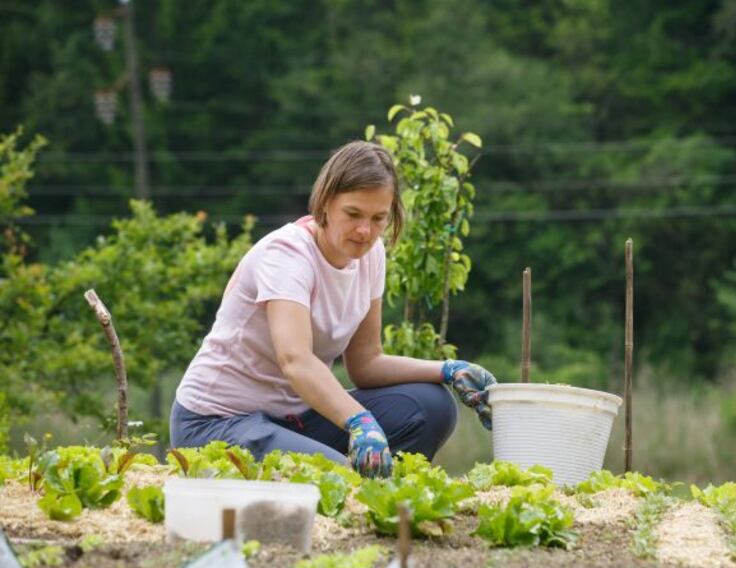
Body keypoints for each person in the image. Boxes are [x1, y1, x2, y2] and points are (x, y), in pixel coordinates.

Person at [170, 141, 496, 478]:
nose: (365, 231)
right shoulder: (287, 255)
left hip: (295, 418)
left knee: (433, 406)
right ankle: (364, 491)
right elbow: (295, 360)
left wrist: (450, 370)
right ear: (325, 203)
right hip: (218, 423)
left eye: (378, 218)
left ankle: (384, 497)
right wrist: (359, 421)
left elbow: (367, 364)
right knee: (340, 478)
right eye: (353, 214)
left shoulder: (370, 255)